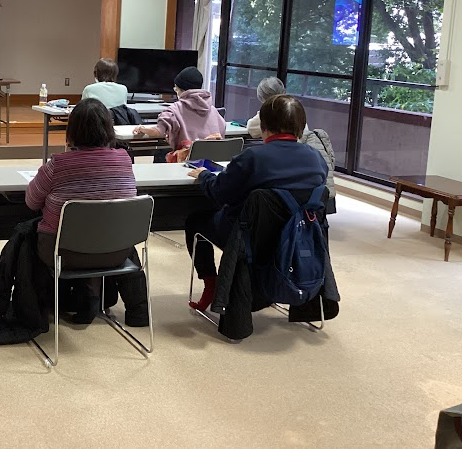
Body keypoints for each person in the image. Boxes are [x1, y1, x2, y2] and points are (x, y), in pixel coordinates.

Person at [185, 95, 328, 311]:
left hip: (247, 238)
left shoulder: (252, 157)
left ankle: (212, 285)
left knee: (195, 220)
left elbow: (220, 193)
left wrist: (204, 175)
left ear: (263, 125)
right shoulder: (316, 158)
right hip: (299, 237)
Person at [25, 98, 149, 326]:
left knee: (30, 234)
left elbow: (31, 202)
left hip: (63, 254)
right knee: (113, 236)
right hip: (115, 251)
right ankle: (138, 311)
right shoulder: (124, 160)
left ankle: (40, 304)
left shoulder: (57, 165)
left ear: (71, 130)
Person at [133, 66, 225, 157]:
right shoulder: (213, 110)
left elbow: (158, 132)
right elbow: (222, 130)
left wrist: (143, 129)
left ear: (181, 90)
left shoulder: (173, 110)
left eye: (176, 89)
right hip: (214, 161)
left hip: (187, 161)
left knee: (161, 154)